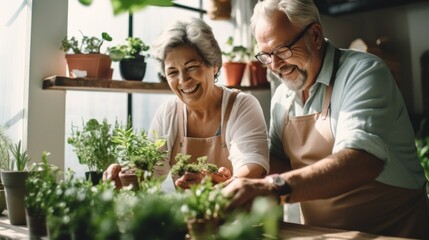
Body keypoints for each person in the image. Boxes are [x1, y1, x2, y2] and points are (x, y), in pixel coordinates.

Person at [221, 0, 429, 238]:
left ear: (316, 35)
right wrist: (237, 175)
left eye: (282, 51)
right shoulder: (282, 95)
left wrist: (271, 188)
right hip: (321, 234)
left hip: (393, 232)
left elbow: (361, 160)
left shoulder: (364, 73)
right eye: (266, 56)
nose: (275, 66)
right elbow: (278, 162)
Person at [103, 17, 269, 189]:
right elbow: (150, 174)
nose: (183, 80)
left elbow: (253, 167)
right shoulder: (168, 113)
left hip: (243, 214)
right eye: (173, 72)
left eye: (191, 67)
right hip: (189, 215)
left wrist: (210, 190)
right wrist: (123, 177)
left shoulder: (242, 105)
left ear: (214, 66)